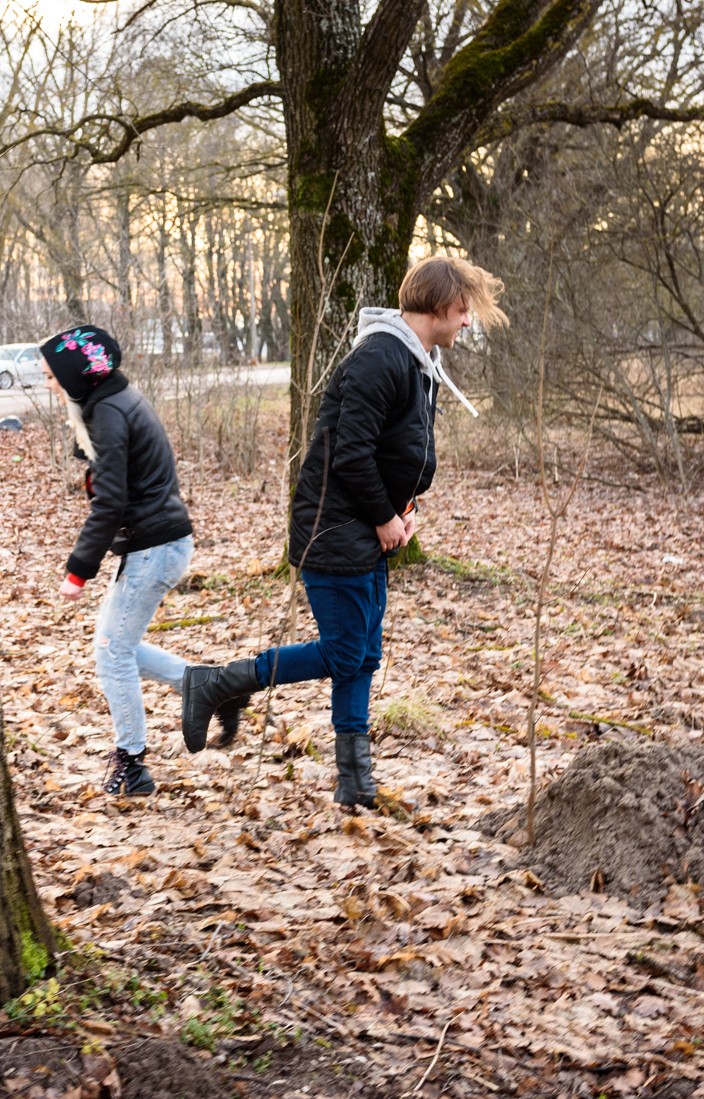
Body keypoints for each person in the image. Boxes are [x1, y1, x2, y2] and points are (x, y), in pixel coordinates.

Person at [179, 257, 507, 808]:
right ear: (434, 307)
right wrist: (383, 517)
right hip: (332, 527)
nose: (467, 322)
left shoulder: (415, 359)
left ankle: (355, 780)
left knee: (363, 655)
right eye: (461, 310)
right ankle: (219, 683)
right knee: (343, 651)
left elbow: (397, 450)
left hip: (364, 523)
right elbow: (349, 454)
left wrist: (404, 509)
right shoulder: (380, 358)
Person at [47, 325, 194, 797]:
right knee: (117, 647)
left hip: (155, 547)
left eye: (53, 375)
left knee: (112, 653)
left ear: (75, 376)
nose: (49, 383)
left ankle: (131, 765)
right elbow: (117, 479)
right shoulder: (112, 402)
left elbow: (110, 503)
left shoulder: (107, 412)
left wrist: (78, 571)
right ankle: (201, 684)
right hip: (158, 543)